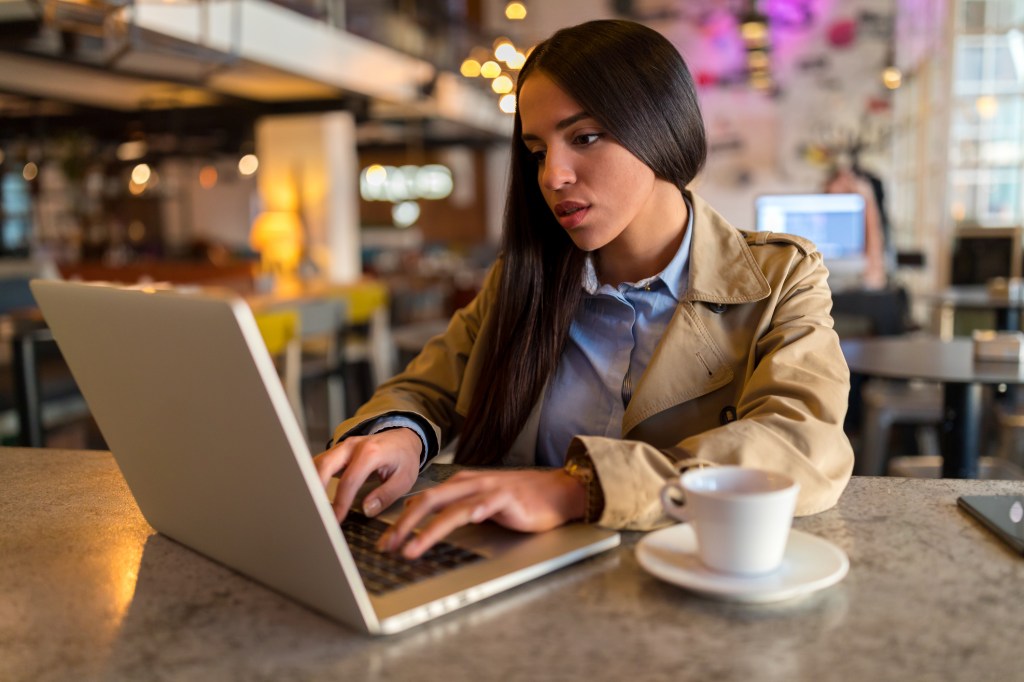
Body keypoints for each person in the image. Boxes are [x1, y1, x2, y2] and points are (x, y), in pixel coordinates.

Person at [314, 19, 854, 559]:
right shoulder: (523, 279)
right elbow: (427, 390)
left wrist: (579, 489)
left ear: (660, 128)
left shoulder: (780, 277)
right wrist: (400, 437)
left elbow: (803, 444)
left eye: (585, 137)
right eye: (537, 151)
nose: (553, 176)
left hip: (694, 583)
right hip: (516, 581)